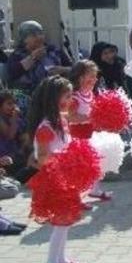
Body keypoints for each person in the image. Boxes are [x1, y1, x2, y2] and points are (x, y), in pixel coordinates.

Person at [27, 76, 76, 263]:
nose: (71, 100)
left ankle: (61, 258)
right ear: (53, 98)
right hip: (53, 181)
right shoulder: (45, 127)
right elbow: (42, 158)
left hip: (64, 178)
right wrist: (68, 159)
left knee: (65, 222)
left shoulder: (60, 120)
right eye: (67, 96)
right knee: (61, 223)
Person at [67, 60, 112, 200]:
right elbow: (71, 117)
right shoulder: (74, 96)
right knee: (80, 167)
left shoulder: (91, 94)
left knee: (94, 162)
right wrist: (91, 118)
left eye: (95, 76)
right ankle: (76, 196)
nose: (95, 79)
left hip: (91, 135)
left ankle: (95, 190)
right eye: (91, 76)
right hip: (77, 137)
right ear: (80, 77)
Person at [7, 21, 72, 93]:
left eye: (40, 33)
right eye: (33, 35)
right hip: (30, 94)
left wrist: (62, 69)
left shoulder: (53, 50)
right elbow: (12, 73)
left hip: (55, 91)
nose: (39, 37)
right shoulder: (17, 55)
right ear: (24, 39)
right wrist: (32, 58)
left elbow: (73, 68)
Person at [0, 91, 28, 176]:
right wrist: (14, 118)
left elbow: (22, 135)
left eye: (14, 103)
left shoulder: (12, 117)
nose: (13, 107)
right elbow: (10, 136)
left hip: (13, 152)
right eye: (9, 104)